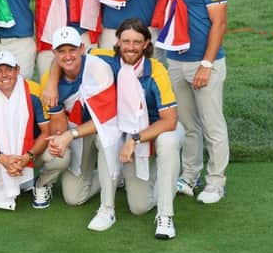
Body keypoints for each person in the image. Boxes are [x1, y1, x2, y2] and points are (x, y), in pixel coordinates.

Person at [48, 20, 183, 239]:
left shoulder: (156, 71)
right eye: (126, 41)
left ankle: (166, 213)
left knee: (167, 144)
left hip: (157, 129)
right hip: (123, 130)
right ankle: (107, 208)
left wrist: (135, 139)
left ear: (146, 43)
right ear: (118, 42)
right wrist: (51, 83)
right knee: (133, 202)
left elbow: (170, 121)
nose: (131, 47)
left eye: (137, 42)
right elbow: (67, 56)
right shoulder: (104, 58)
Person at [153, 0, 229, 204]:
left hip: (204, 62)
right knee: (188, 124)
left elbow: (219, 23)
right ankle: (189, 176)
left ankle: (216, 182)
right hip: (176, 60)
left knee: (212, 124)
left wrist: (207, 64)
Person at [0, 50, 69, 210]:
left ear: (17, 70)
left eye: (8, 69)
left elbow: (46, 132)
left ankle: (41, 184)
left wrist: (27, 157)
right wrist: (1, 158)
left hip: (30, 152)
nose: (4, 75)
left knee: (62, 155)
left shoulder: (34, 90)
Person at [40, 27, 100, 209]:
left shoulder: (99, 60)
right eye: (61, 51)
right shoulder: (48, 81)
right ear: (54, 53)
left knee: (106, 137)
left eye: (72, 50)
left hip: (107, 125)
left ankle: (113, 171)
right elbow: (58, 124)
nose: (67, 56)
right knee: (74, 198)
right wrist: (61, 138)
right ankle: (112, 174)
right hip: (79, 130)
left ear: (82, 48)